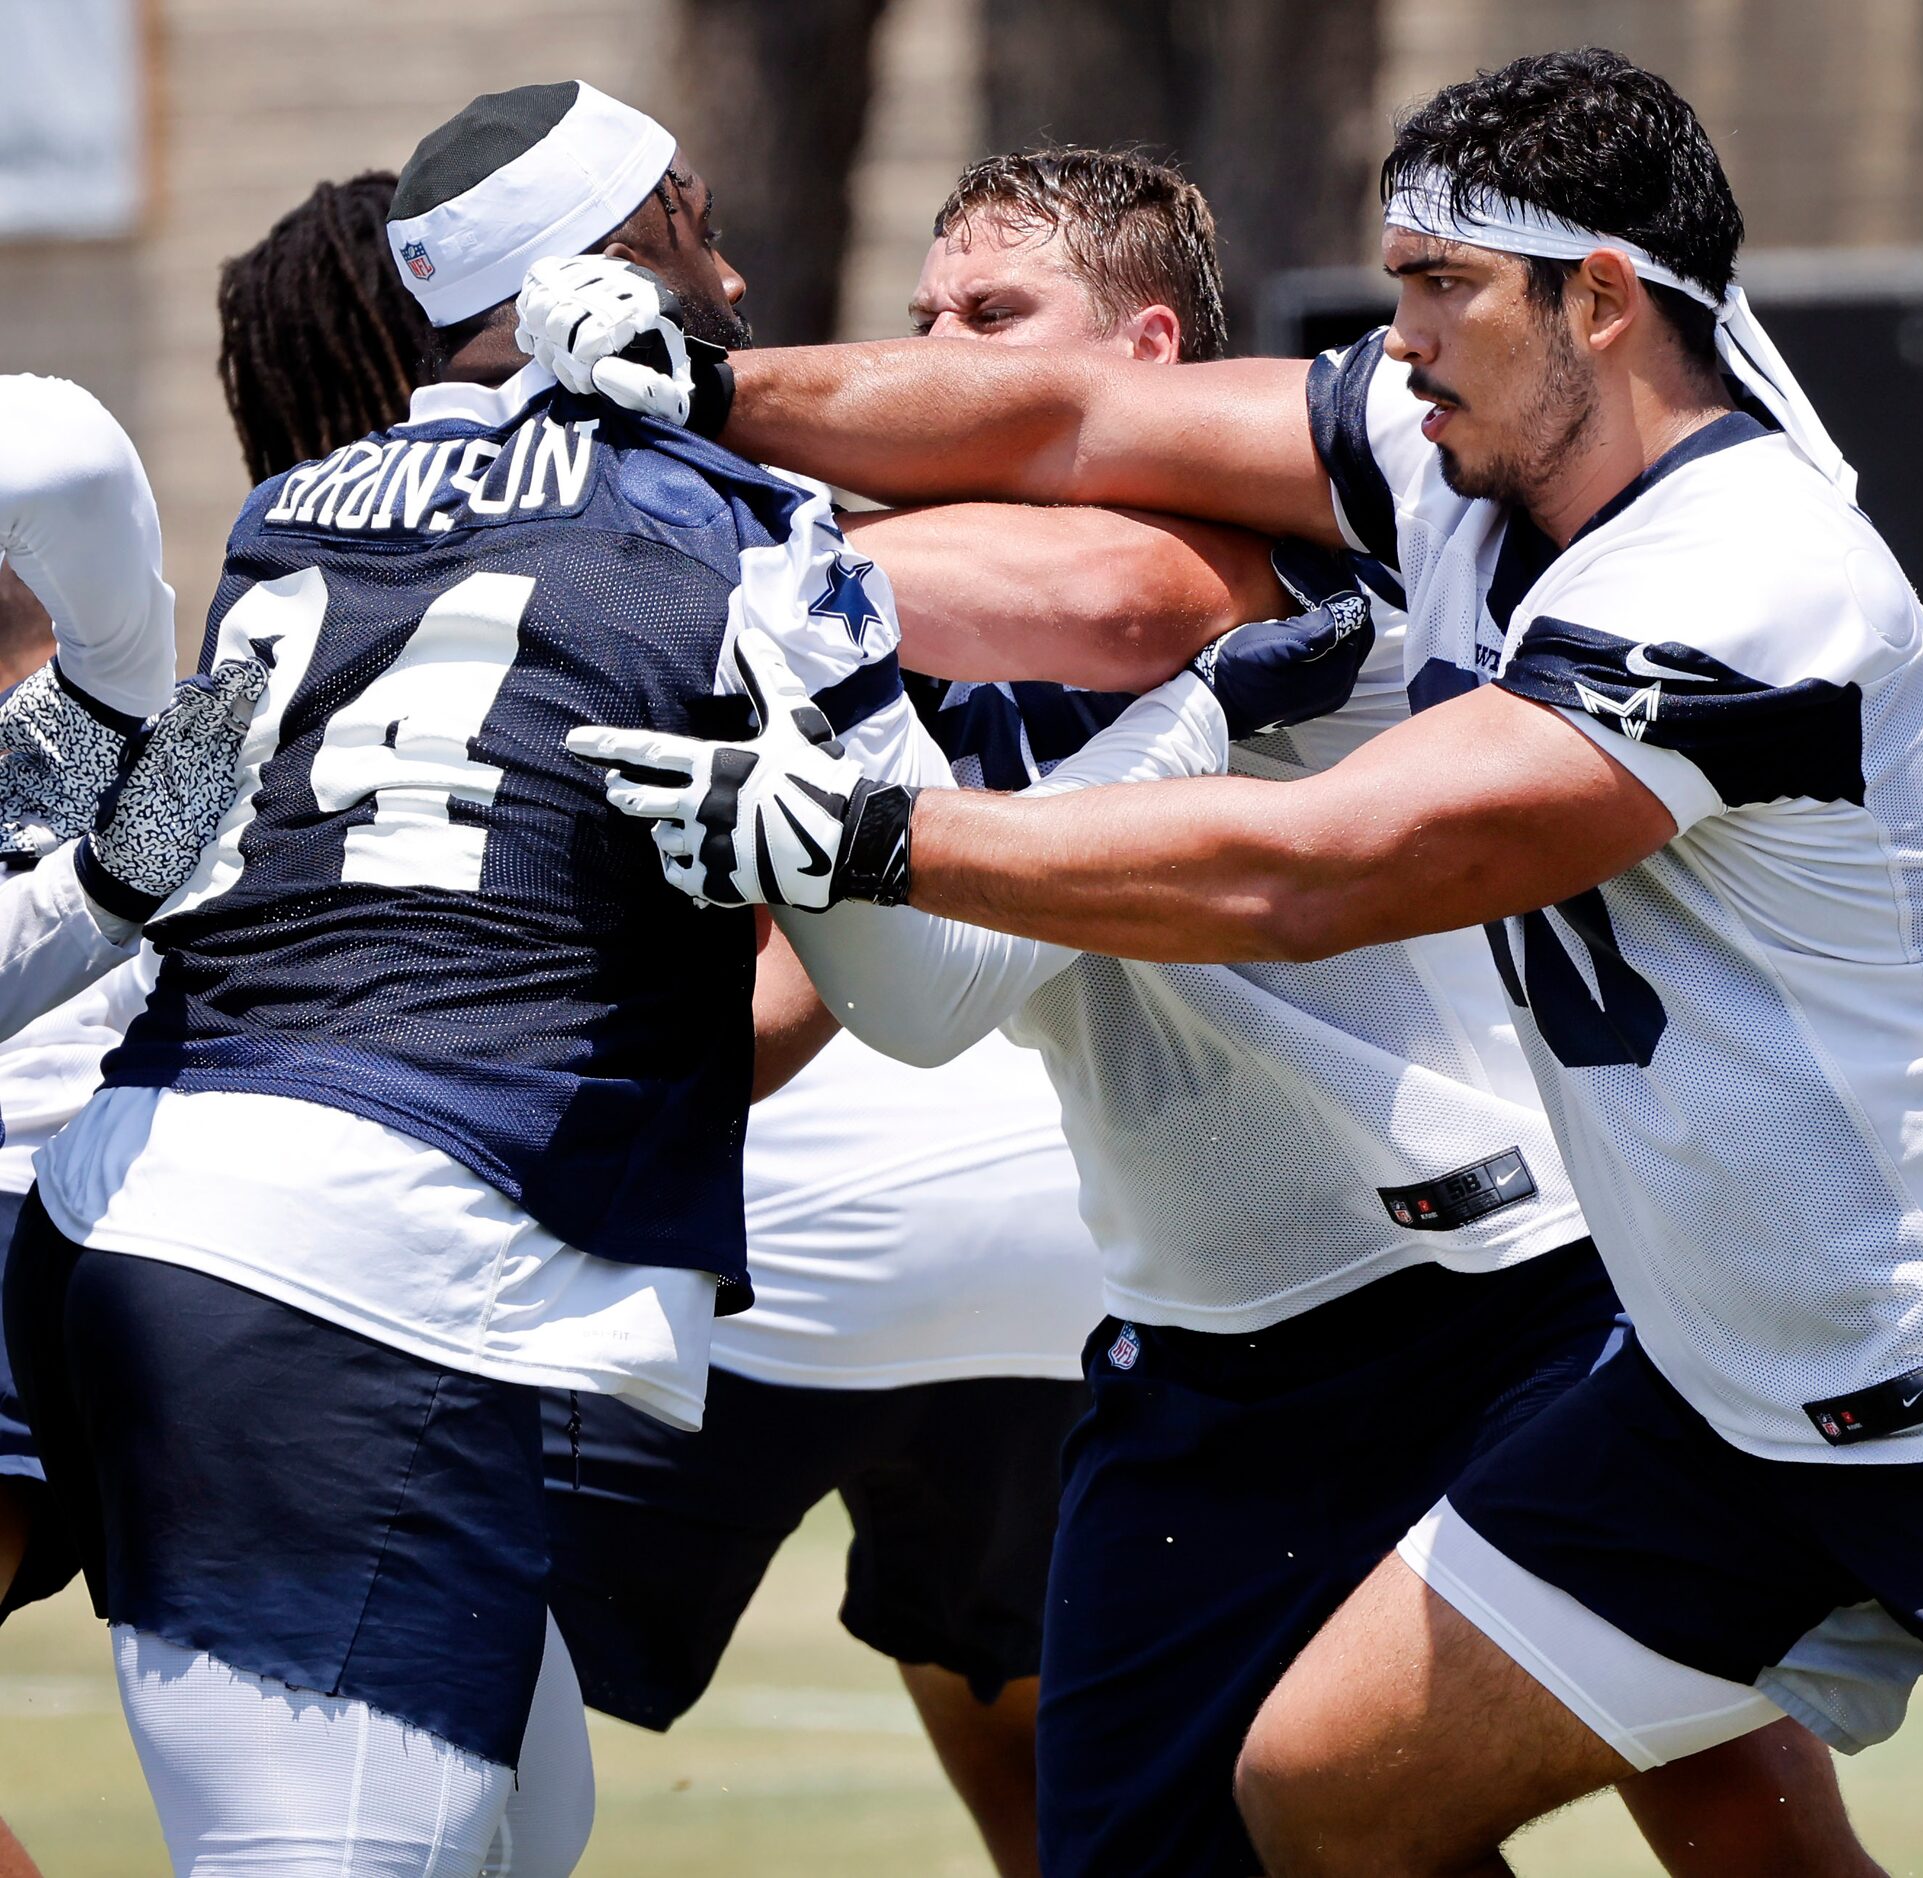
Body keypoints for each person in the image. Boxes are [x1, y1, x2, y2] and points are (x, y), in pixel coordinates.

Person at [552, 48, 1923, 1878]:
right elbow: (1071, 430)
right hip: (1720, 1391)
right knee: (1328, 1788)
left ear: (1600, 302)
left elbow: (1325, 867)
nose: (1392, 339)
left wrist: (878, 837)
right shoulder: (1450, 454)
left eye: (1438, 289)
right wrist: (710, 389)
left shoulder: (1752, 574)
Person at [4, 80, 1332, 1878]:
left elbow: (148, 852)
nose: (729, 266)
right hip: (373, 1253)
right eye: (696, 223)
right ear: (624, 257)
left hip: (182, 1219)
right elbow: (924, 997)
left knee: (517, 1830)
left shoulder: (297, 517)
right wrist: (1186, 728)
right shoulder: (740, 531)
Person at [0, 375, 269, 1878]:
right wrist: (99, 890)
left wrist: (102, 881)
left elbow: (57, 446)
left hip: (69, 1229)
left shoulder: (104, 700)